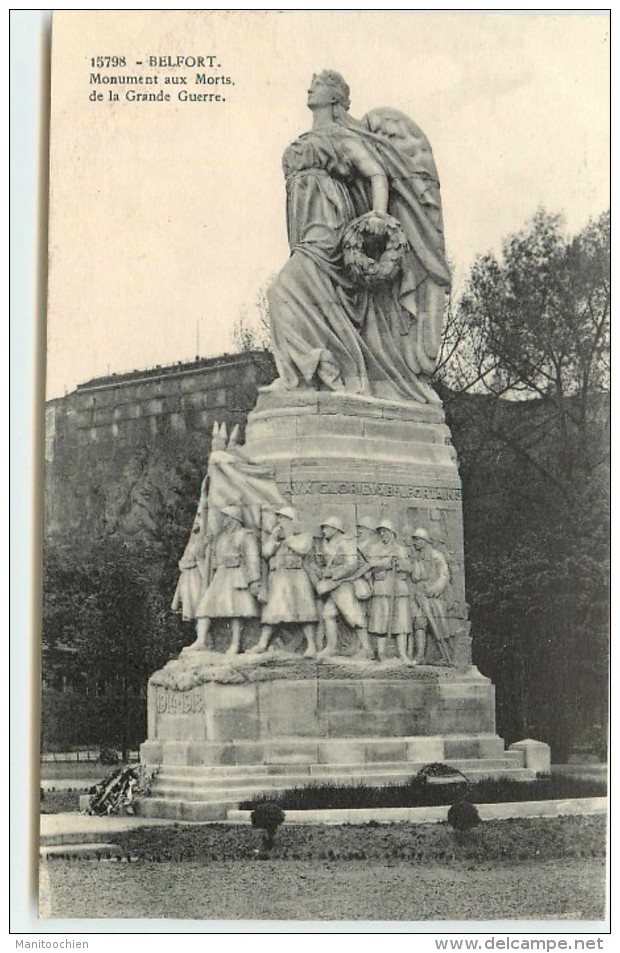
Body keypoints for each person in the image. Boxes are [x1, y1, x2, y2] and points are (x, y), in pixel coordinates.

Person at [266, 70, 450, 403]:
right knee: (309, 300)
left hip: (329, 230)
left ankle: (315, 371)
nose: (309, 87)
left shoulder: (342, 136)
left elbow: (377, 173)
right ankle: (315, 373)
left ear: (335, 98)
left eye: (318, 84)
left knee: (282, 291)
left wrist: (377, 218)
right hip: (305, 230)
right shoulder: (312, 138)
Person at [187, 505, 262, 655]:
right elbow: (201, 556)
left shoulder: (245, 535)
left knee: (236, 610)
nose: (224, 520)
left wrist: (254, 580)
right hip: (221, 575)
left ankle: (235, 644)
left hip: (237, 574)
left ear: (235, 519)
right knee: (205, 607)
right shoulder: (220, 537)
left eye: (227, 517)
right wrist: (205, 541)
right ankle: (201, 640)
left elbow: (253, 559)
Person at [250, 506, 319, 657]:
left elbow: (303, 548)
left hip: (297, 577)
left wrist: (288, 537)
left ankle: (312, 646)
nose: (279, 521)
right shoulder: (275, 538)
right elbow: (266, 553)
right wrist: (273, 539)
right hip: (278, 579)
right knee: (271, 612)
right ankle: (262, 643)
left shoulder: (304, 535)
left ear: (291, 521)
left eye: (283, 518)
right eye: (279, 518)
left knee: (305, 611)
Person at [311, 515, 373, 659]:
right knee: (328, 614)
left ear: (335, 529)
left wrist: (332, 573)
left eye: (326, 528)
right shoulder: (328, 543)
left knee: (353, 615)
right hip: (334, 585)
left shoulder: (346, 542)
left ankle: (367, 649)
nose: (324, 531)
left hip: (344, 584)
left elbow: (351, 565)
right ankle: (331, 648)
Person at [367, 518, 413, 662]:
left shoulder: (401, 549)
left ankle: (402, 654)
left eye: (385, 532)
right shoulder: (375, 549)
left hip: (398, 589)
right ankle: (381, 654)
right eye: (380, 532)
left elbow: (410, 567)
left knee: (401, 623)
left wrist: (399, 563)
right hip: (381, 589)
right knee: (380, 623)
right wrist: (385, 563)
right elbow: (370, 566)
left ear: (392, 533)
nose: (383, 535)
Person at [409, 527, 451, 665]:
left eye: (417, 540)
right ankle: (420, 656)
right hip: (421, 596)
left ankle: (446, 655)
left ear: (424, 541)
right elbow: (416, 577)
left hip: (435, 598)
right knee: (419, 623)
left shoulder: (436, 555)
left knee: (437, 626)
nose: (414, 543)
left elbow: (444, 576)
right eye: (414, 540)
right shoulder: (417, 557)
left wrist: (433, 590)